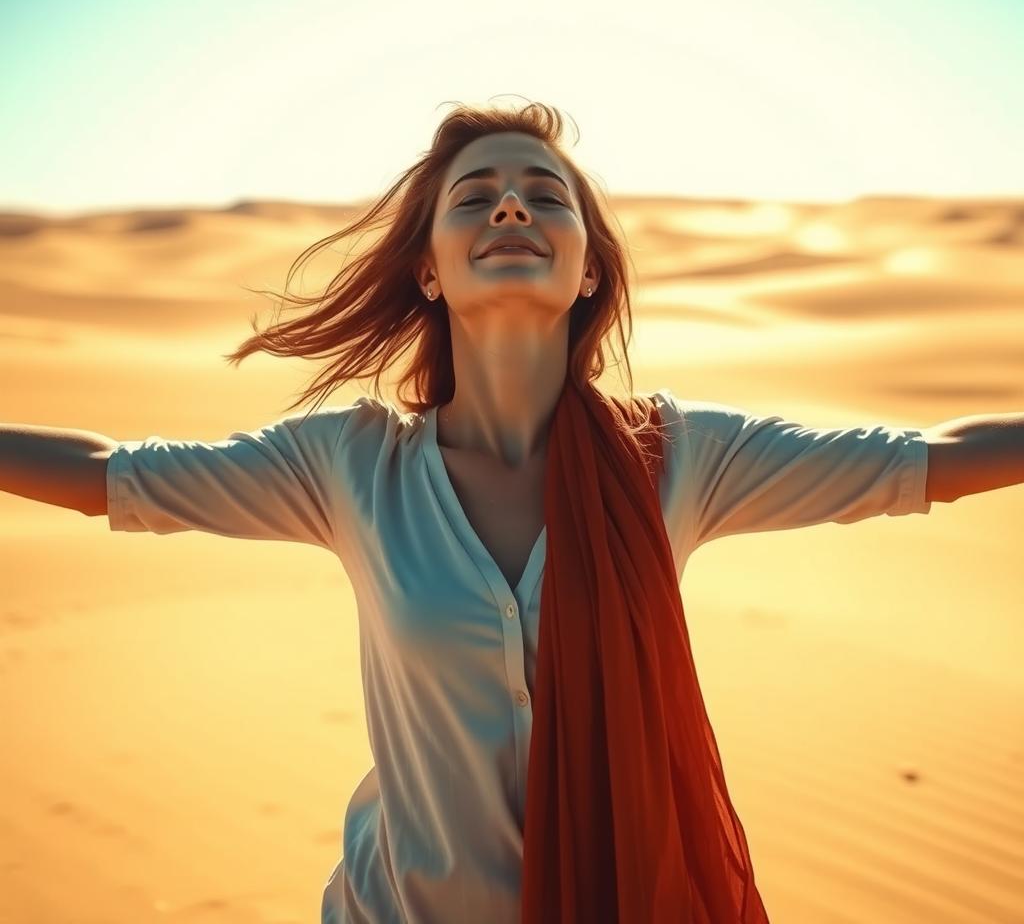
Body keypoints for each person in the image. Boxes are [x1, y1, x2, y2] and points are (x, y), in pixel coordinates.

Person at [1, 100, 940, 923]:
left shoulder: (678, 457)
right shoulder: (352, 466)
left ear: (586, 273)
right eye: (475, 193)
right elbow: (111, 476)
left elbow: (921, 462)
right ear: (430, 273)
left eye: (545, 193)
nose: (510, 204)